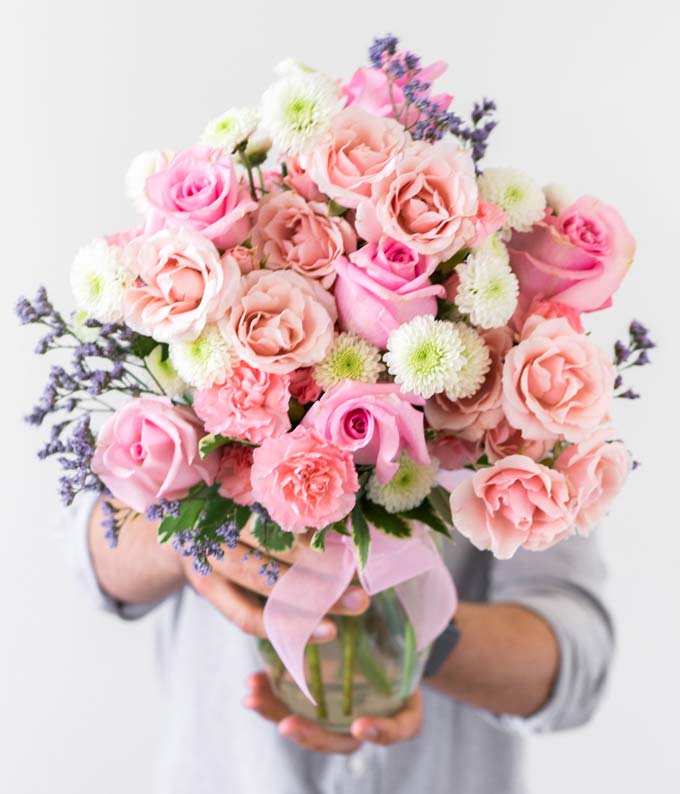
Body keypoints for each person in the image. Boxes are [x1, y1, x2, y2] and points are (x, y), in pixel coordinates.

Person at [74, 491, 613, 794]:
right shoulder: (180, 312)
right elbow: (90, 548)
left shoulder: (525, 355)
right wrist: (190, 537)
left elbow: (576, 660)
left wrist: (414, 636)